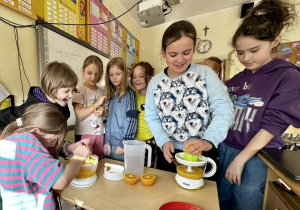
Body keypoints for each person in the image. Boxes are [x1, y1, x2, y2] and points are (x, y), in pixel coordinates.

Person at [217, 1, 300, 209]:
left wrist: (241, 159)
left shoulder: (287, 76)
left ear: (275, 41)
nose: (246, 58)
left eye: (254, 50)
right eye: (240, 52)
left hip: (256, 155)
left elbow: (273, 125)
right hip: (227, 148)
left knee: (246, 203)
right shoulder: (237, 79)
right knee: (220, 200)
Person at [144, 20, 234, 176]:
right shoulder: (155, 83)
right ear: (163, 53)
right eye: (173, 55)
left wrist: (209, 140)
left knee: (198, 197)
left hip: (200, 153)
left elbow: (224, 108)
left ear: (193, 49)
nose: (180, 60)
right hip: (168, 152)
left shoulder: (206, 74)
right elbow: (151, 116)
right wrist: (162, 140)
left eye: (186, 53)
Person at [0, 103, 90, 210]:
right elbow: (60, 182)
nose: (52, 145)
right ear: (36, 132)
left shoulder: (12, 140)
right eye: (52, 140)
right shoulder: (28, 145)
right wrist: (79, 157)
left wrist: (71, 148)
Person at [0, 61, 88, 158]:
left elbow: (52, 141)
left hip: (48, 166)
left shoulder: (62, 106)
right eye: (67, 91)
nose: (72, 95)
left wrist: (71, 147)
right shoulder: (31, 112)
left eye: (73, 90)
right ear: (52, 88)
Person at [72, 55, 108, 159]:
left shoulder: (102, 91)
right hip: (84, 134)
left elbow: (107, 113)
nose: (93, 77)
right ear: (83, 71)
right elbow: (79, 115)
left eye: (97, 74)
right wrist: (96, 104)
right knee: (83, 163)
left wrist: (103, 111)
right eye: (89, 73)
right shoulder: (79, 90)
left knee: (98, 162)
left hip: (99, 134)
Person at [104, 57, 138, 161]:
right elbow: (110, 120)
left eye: (118, 74)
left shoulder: (130, 94)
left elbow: (132, 120)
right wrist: (106, 142)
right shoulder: (112, 95)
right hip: (109, 144)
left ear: (125, 74)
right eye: (111, 75)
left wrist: (123, 143)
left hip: (121, 145)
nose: (114, 77)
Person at [131, 61, 157, 167]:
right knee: (134, 167)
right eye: (134, 76)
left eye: (141, 76)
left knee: (148, 169)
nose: (137, 79)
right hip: (134, 139)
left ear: (150, 77)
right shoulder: (132, 96)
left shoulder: (156, 97)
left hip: (151, 140)